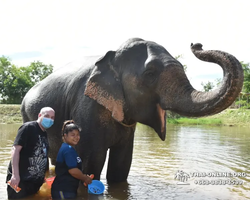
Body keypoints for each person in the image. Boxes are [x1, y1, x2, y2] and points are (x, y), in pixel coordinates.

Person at [6, 107, 55, 199]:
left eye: (52, 117)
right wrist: (15, 175)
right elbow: (15, 150)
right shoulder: (28, 127)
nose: (50, 119)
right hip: (21, 180)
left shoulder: (44, 133)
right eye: (47, 116)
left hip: (34, 182)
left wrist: (43, 176)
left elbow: (42, 155)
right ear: (39, 115)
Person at [51, 120, 92, 199]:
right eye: (73, 135)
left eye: (77, 135)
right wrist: (85, 178)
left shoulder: (69, 148)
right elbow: (73, 171)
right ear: (65, 136)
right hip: (63, 190)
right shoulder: (68, 149)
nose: (76, 137)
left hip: (67, 189)